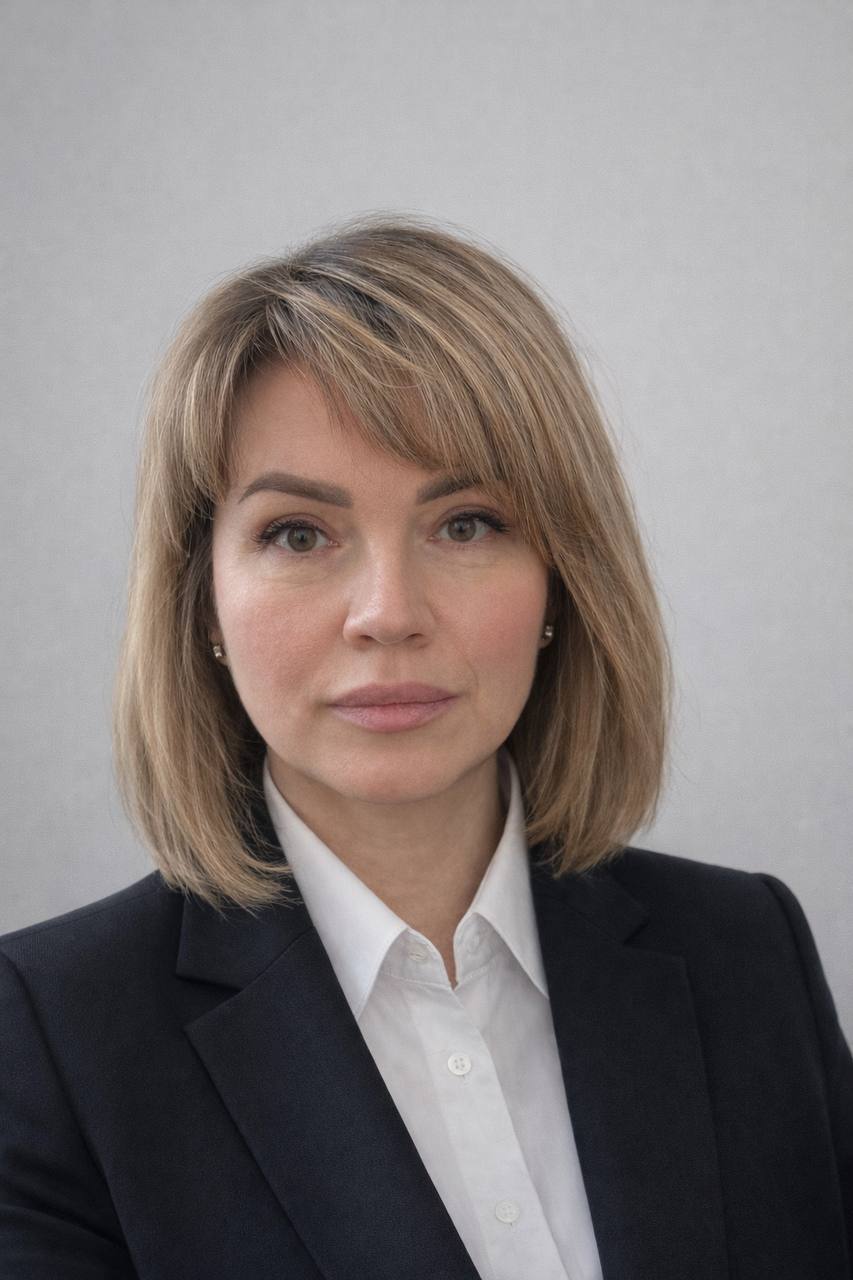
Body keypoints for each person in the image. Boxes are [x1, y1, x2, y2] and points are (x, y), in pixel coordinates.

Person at [0, 213, 850, 1280]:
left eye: (466, 524)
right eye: (297, 533)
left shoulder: (748, 952)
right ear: (201, 598)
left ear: (561, 581)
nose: (388, 614)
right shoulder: (45, 1032)